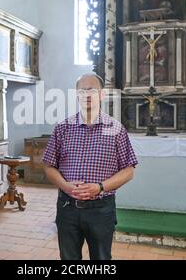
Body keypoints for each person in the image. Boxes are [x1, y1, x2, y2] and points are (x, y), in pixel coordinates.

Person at [42, 73, 138, 260]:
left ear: (101, 95)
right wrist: (65, 185)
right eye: (82, 90)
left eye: (92, 90)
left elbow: (129, 170)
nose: (87, 94)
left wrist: (100, 187)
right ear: (76, 95)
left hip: (101, 209)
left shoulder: (116, 129)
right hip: (68, 207)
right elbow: (48, 166)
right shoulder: (62, 128)